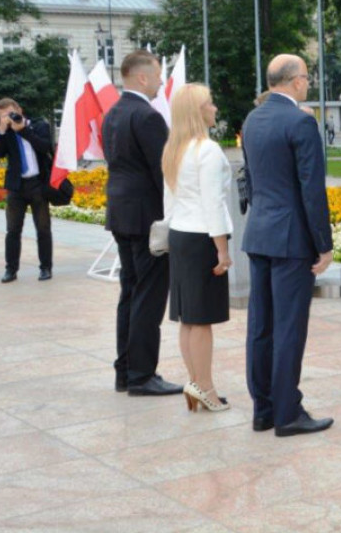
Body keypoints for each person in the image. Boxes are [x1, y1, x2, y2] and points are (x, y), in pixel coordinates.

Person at [241, 54, 335, 437]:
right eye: (307, 77)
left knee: (260, 327)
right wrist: (324, 244)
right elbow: (312, 189)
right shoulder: (300, 122)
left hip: (260, 233)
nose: (308, 83)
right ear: (295, 81)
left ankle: (263, 410)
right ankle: (288, 413)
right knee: (289, 328)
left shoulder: (252, 119)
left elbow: (249, 179)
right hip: (291, 239)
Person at [102, 50, 183, 397]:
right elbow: (162, 171)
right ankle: (141, 374)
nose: (161, 82)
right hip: (146, 218)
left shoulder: (113, 113)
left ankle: (125, 371)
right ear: (142, 77)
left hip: (121, 213)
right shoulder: (147, 116)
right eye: (158, 75)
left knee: (131, 292)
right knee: (148, 297)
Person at [161, 84, 234, 413]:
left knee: (188, 318)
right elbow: (213, 203)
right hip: (202, 237)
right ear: (197, 111)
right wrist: (223, 250)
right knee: (201, 320)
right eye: (210, 103)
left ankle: (195, 383)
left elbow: (169, 201)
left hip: (180, 235)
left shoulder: (174, 149)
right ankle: (206, 388)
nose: (215, 108)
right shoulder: (208, 150)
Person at [0, 98, 54, 283]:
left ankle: (45, 267)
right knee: (12, 230)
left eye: (11, 113)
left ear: (19, 110)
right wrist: (2, 129)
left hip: (37, 183)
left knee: (43, 228)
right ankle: (11, 270)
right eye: (3, 116)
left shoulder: (38, 125)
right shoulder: (6, 132)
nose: (9, 118)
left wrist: (23, 130)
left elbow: (45, 147)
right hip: (16, 186)